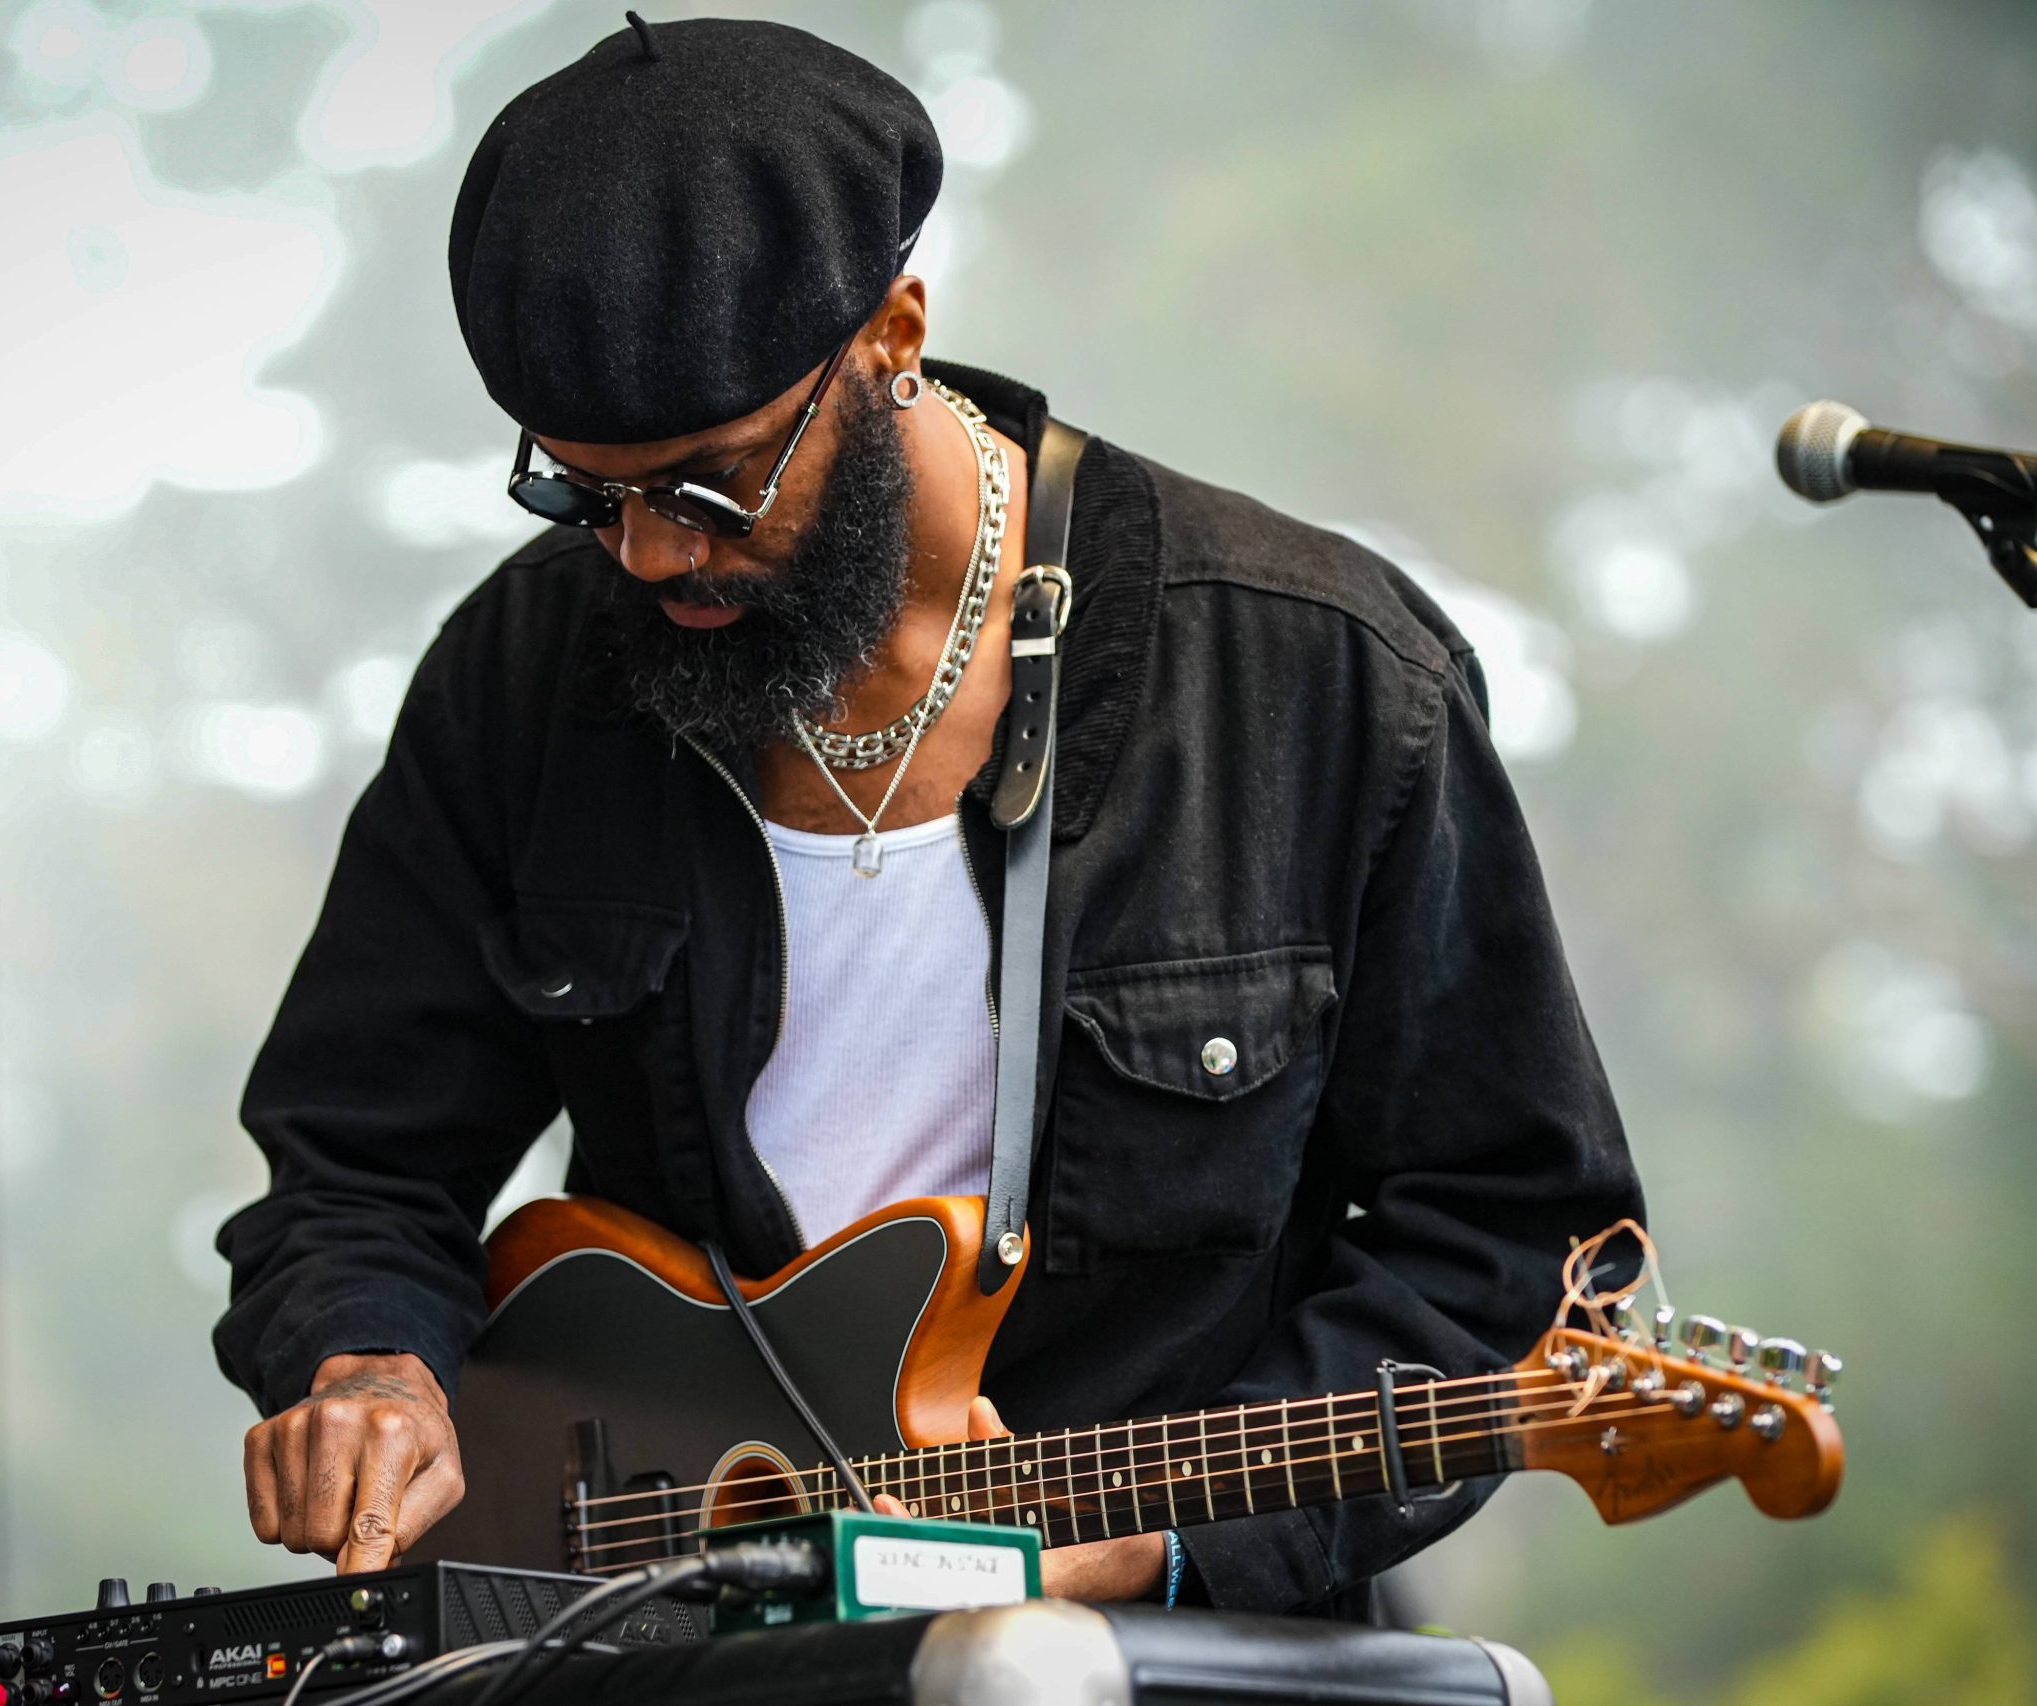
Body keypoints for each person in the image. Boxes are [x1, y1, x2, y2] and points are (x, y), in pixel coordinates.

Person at [213, 13, 1642, 1617]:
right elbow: (357, 1154)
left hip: (1170, 1659)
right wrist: (371, 1362)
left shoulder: (1321, 673)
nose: (647, 561)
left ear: (893, 332)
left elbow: (1518, 1238)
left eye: (711, 485)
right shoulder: (526, 672)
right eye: (583, 493)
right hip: (684, 1633)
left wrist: (1163, 1539)